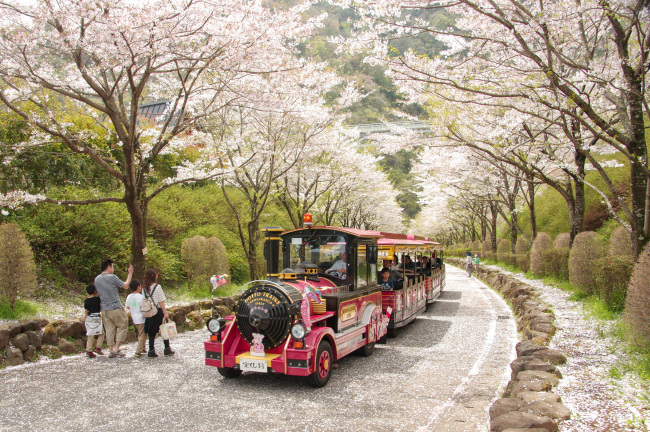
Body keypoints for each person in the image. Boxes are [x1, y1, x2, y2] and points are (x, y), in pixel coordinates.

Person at [94, 258, 133, 358]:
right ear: (108, 266)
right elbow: (125, 286)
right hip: (115, 307)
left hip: (104, 308)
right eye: (113, 266)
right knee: (123, 325)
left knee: (109, 329)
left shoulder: (97, 279)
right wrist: (130, 274)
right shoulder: (112, 277)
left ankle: (110, 350)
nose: (113, 268)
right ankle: (116, 348)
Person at [143, 268, 175, 357]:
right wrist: (165, 312)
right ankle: (167, 348)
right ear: (153, 276)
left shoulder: (144, 288)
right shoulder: (157, 287)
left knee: (151, 331)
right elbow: (161, 301)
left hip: (149, 311)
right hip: (158, 311)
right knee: (164, 328)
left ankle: (151, 350)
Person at [125, 280, 146, 358]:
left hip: (134, 317)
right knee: (142, 334)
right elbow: (144, 306)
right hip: (141, 318)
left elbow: (127, 306)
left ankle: (143, 348)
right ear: (138, 287)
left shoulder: (129, 296)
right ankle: (138, 351)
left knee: (139, 333)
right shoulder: (141, 297)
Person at [83, 284, 105, 358]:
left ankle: (89, 350)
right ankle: (98, 347)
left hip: (90, 318)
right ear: (95, 291)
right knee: (101, 333)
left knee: (90, 335)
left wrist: (86, 320)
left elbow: (86, 311)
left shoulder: (86, 301)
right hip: (97, 318)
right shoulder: (97, 299)